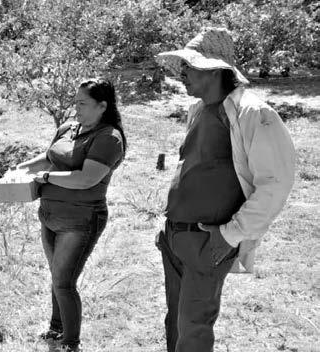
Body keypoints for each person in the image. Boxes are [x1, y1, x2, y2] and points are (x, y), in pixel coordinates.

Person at [154, 27, 295, 352]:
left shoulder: (253, 113)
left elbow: (275, 183)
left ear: (215, 70)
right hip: (176, 237)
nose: (182, 73)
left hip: (207, 241)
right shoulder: (199, 110)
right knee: (175, 324)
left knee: (193, 331)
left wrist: (231, 235)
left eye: (189, 66)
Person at [17, 78, 127, 352]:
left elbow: (86, 178)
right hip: (50, 215)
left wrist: (46, 177)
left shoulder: (109, 138)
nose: (76, 108)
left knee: (64, 282)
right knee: (57, 276)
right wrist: (21, 168)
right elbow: (49, 157)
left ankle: (71, 343)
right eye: (75, 102)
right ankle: (56, 329)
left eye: (82, 103)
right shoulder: (68, 128)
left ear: (102, 106)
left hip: (80, 220)